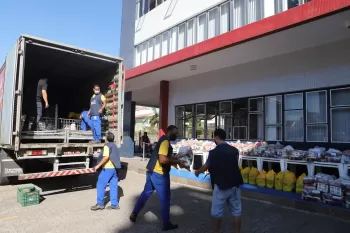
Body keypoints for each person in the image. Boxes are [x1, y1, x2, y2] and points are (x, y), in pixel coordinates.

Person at [129, 125, 187, 231]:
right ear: (170, 132)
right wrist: (178, 161)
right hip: (159, 174)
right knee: (165, 198)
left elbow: (164, 157)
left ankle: (134, 213)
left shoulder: (163, 140)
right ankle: (166, 224)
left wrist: (175, 158)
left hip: (151, 171)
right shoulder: (165, 142)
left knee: (145, 193)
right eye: (176, 133)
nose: (176, 135)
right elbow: (163, 160)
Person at [195, 128, 243, 233]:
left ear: (217, 138)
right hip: (235, 184)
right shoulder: (235, 150)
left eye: (214, 138)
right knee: (236, 211)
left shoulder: (214, 152)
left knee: (217, 212)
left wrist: (198, 171)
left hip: (221, 185)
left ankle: (216, 231)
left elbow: (207, 165)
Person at [91, 131, 121, 211]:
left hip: (108, 168)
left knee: (100, 184)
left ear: (106, 138)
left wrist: (97, 166)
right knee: (113, 186)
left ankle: (100, 204)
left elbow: (106, 157)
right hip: (115, 169)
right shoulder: (114, 145)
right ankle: (115, 204)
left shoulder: (107, 146)